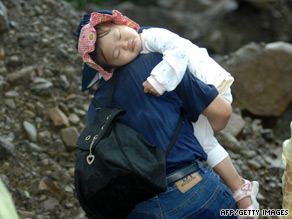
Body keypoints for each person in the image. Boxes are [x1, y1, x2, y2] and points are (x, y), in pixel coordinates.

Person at [75, 10, 256, 218]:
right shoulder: (156, 62)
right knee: (206, 142)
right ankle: (243, 194)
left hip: (137, 207)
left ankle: (242, 192)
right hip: (193, 190)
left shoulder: (99, 101)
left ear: (124, 23)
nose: (125, 45)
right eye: (117, 54)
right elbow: (223, 115)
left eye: (119, 36)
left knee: (206, 142)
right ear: (110, 67)